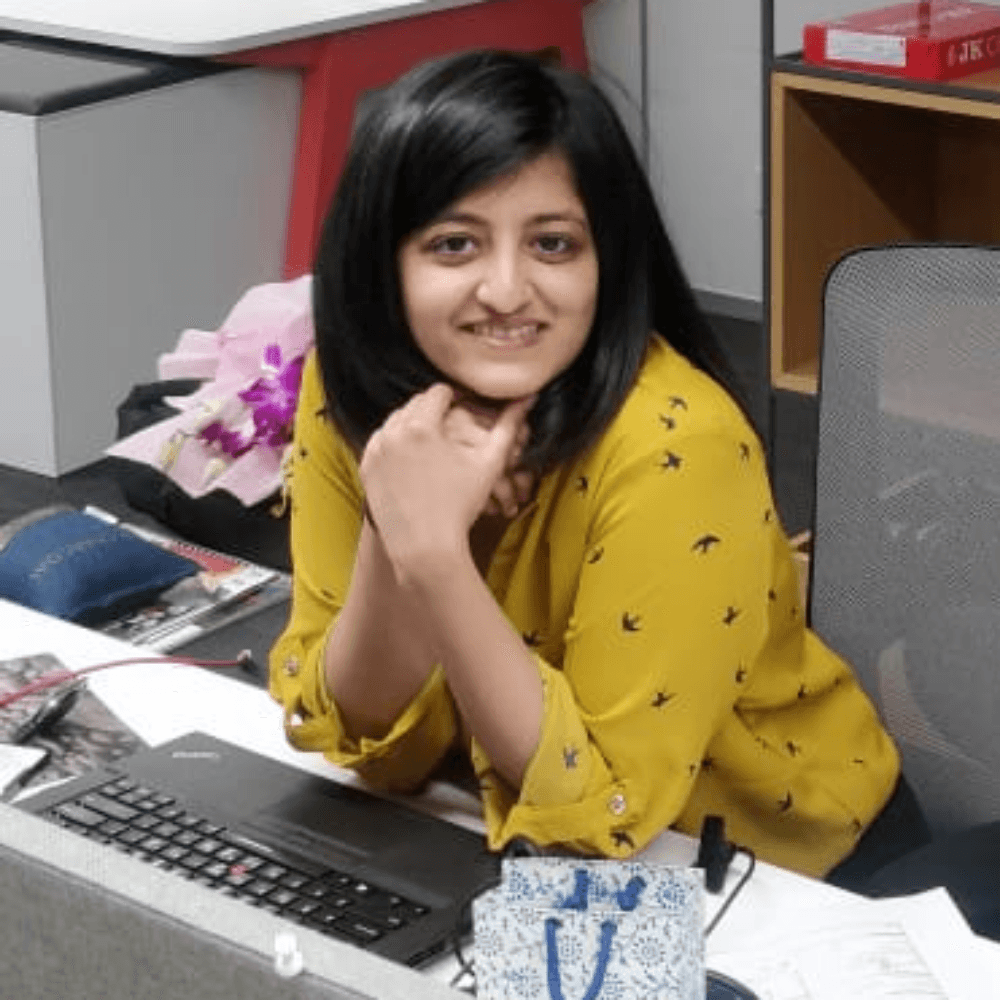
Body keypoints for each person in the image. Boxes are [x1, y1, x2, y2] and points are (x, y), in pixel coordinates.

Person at [268, 49, 928, 885]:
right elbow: (354, 734)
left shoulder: (676, 442)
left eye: (552, 243)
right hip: (483, 835)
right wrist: (394, 522)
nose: (506, 291)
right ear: (383, 263)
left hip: (785, 879)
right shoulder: (354, 389)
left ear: (605, 260)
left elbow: (603, 812)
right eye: (454, 244)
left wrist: (432, 556)